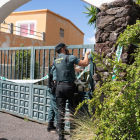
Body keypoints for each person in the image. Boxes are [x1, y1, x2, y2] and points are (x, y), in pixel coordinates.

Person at [52, 43, 90, 140]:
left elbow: (65, 70)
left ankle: (61, 137)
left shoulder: (56, 61)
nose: (66, 49)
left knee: (61, 112)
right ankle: (74, 135)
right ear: (63, 49)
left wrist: (76, 70)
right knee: (73, 110)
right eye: (65, 48)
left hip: (59, 88)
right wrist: (86, 54)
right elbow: (85, 63)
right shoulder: (70, 57)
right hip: (69, 87)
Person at [47, 65, 58, 132]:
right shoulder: (55, 67)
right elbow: (55, 80)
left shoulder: (57, 65)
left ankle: (50, 126)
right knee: (56, 108)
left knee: (52, 107)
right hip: (53, 89)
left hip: (52, 88)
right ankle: (58, 127)